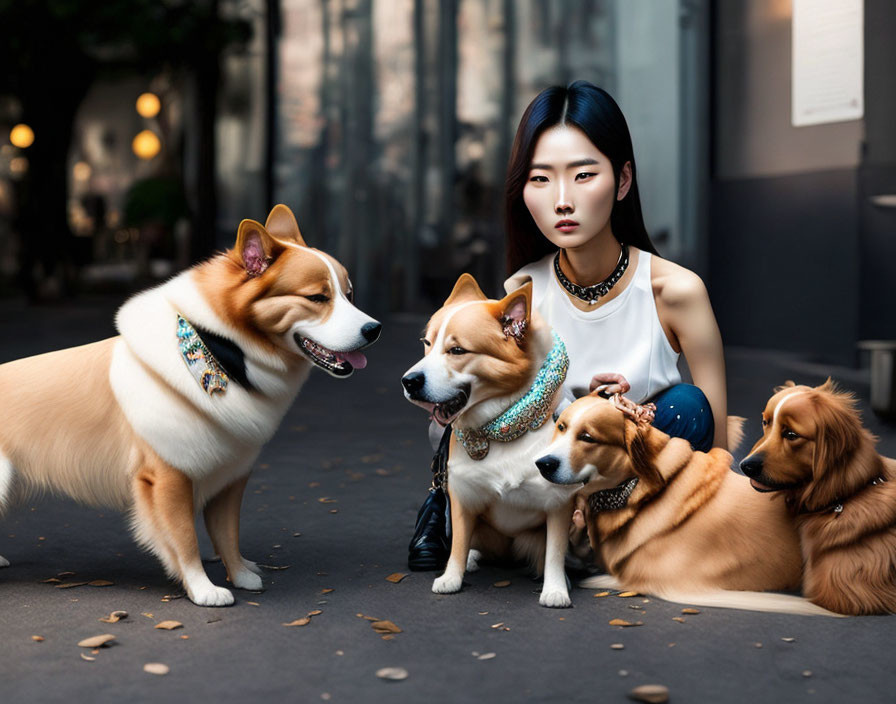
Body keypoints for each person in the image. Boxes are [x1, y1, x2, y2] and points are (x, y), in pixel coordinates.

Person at [503, 80, 727, 452]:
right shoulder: (523, 291)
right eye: (540, 179)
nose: (562, 201)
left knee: (688, 407)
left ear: (622, 180)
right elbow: (516, 423)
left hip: (651, 481)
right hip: (557, 483)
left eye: (584, 175)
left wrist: (627, 418)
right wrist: (584, 411)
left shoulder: (676, 291)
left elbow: (716, 447)